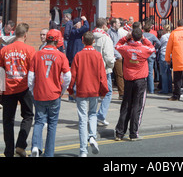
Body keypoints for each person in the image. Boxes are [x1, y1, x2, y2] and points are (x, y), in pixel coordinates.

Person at [28, 29, 71, 157]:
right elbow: (68, 76)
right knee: (52, 124)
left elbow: (31, 77)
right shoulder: (61, 55)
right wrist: (63, 90)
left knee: (39, 121)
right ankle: (49, 153)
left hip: (40, 93)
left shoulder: (37, 54)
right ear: (57, 41)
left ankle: (35, 146)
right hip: (54, 93)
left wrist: (32, 90)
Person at [68, 31, 109, 157]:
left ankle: (83, 151)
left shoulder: (78, 55)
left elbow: (73, 75)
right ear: (94, 41)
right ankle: (92, 136)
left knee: (82, 120)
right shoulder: (97, 56)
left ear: (82, 40)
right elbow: (103, 75)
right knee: (92, 114)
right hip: (94, 90)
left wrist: (70, 90)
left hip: (81, 91)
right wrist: (104, 91)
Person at [0, 22, 35, 157]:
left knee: (8, 120)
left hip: (8, 88)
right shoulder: (30, 50)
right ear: (25, 35)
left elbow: (1, 70)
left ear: (15, 34)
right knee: (28, 115)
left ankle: (9, 151)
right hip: (24, 87)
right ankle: (20, 145)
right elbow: (32, 71)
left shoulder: (4, 50)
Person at [114, 27, 155, 141]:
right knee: (137, 107)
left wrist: (125, 38)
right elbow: (152, 48)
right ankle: (133, 133)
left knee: (126, 105)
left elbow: (117, 46)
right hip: (140, 80)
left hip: (128, 79)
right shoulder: (144, 49)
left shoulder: (126, 48)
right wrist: (144, 39)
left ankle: (119, 133)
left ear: (132, 36)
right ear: (140, 36)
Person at [92, 17, 115, 126]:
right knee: (108, 92)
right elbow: (109, 57)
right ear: (104, 26)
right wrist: (112, 65)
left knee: (95, 93)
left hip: (92, 69)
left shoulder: (90, 36)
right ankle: (100, 115)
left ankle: (92, 115)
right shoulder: (106, 38)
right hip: (104, 69)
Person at [108, 18, 124, 100]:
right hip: (113, 57)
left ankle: (121, 93)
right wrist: (118, 55)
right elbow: (111, 46)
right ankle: (121, 93)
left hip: (118, 56)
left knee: (119, 75)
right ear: (114, 24)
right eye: (118, 23)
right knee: (116, 75)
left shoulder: (117, 32)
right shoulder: (110, 33)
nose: (120, 24)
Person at [143, 21, 161, 94]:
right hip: (151, 54)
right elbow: (159, 43)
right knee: (150, 73)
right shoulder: (152, 36)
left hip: (143, 54)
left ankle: (144, 89)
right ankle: (151, 90)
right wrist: (154, 48)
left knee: (143, 72)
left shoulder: (142, 35)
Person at [158, 24, 172, 94]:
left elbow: (159, 44)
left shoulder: (163, 37)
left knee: (164, 74)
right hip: (170, 55)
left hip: (163, 54)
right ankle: (170, 88)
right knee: (169, 73)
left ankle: (165, 89)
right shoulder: (172, 35)